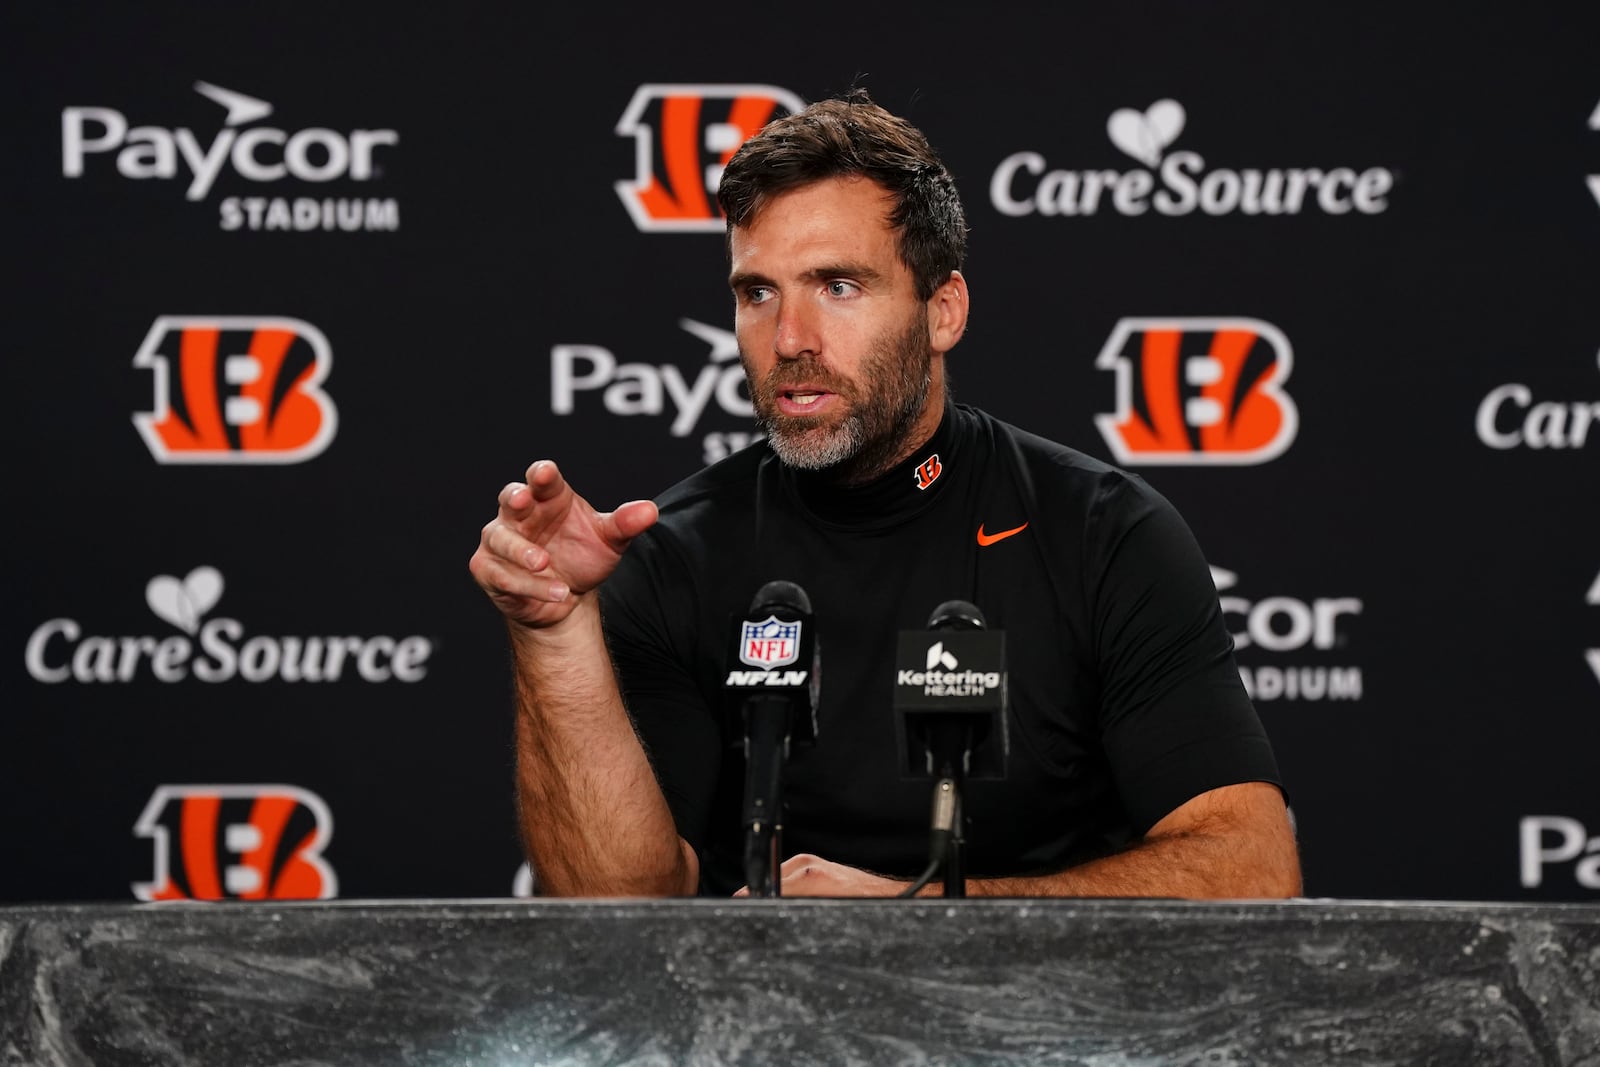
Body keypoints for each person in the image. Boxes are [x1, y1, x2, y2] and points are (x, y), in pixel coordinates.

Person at [470, 90, 1301, 899]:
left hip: (1043, 1025)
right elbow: (611, 914)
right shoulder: (675, 552)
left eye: (838, 286)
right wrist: (556, 632)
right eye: (758, 293)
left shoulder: (1103, 535)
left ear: (943, 311)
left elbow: (1252, 869)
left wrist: (921, 916)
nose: (790, 340)